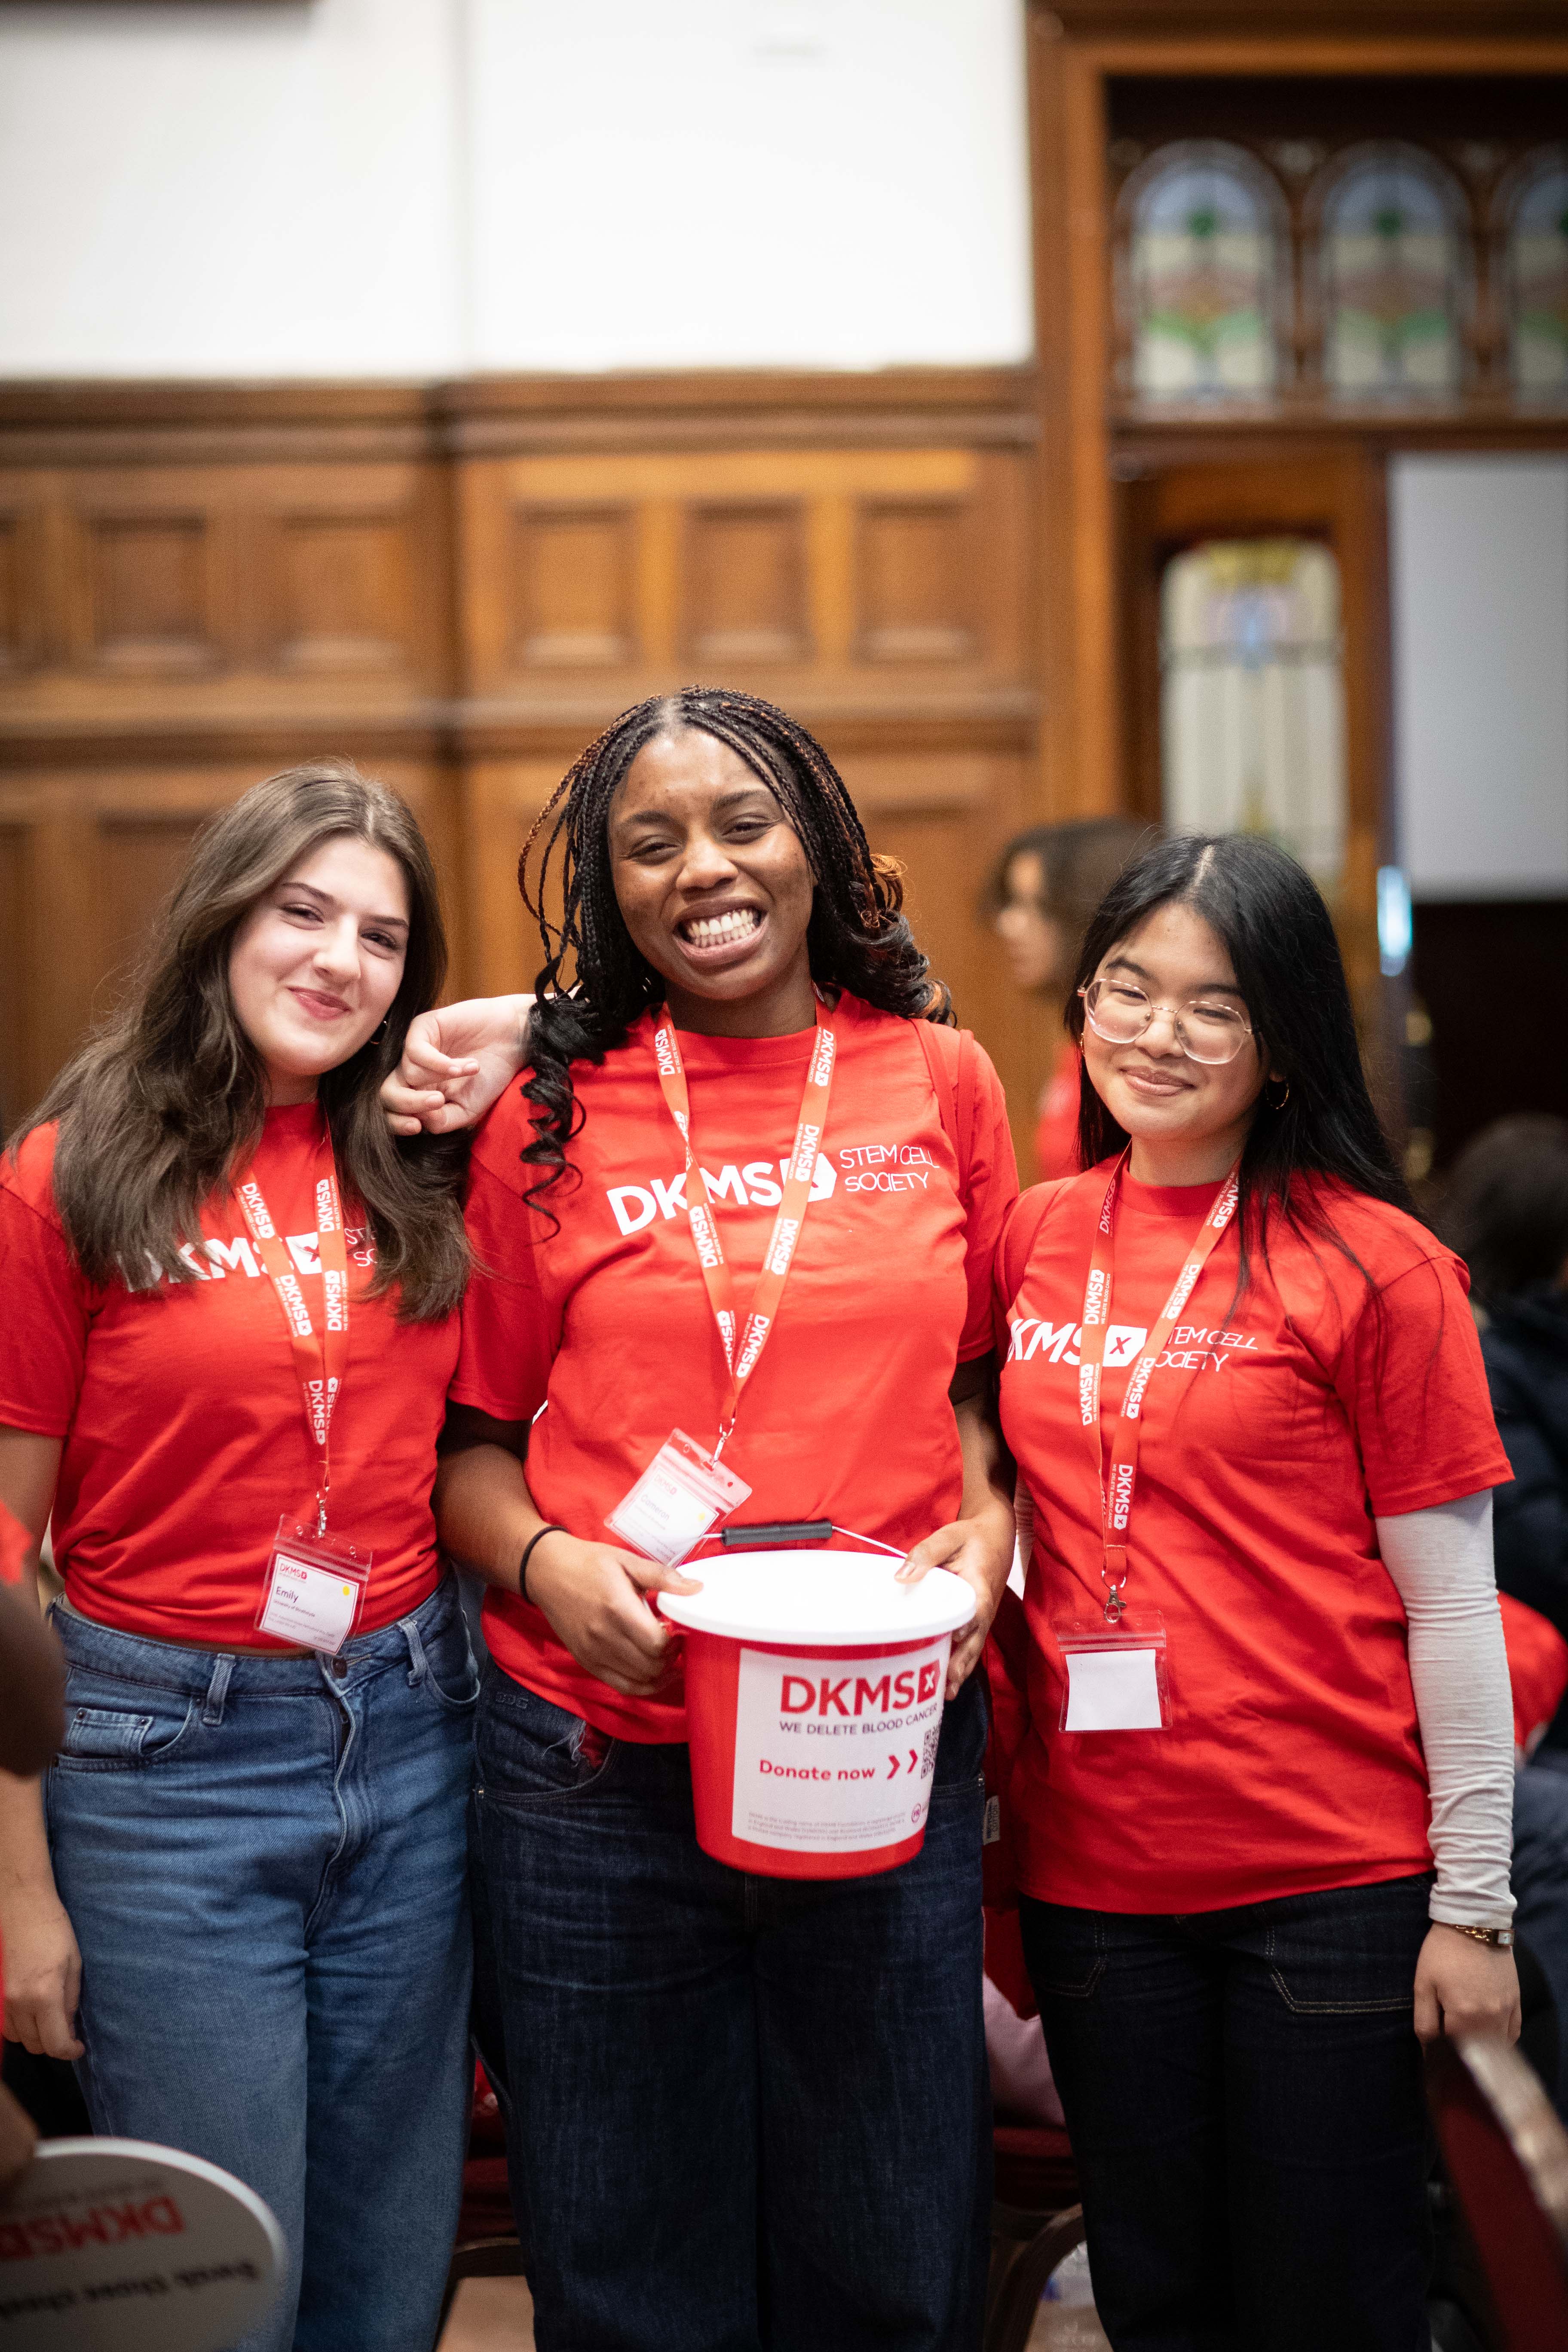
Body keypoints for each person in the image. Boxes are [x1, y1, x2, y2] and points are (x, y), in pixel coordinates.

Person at [430, 685, 1019, 2352]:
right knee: (628, 2278)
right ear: (607, 885)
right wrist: (548, 1560)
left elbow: (995, 1396)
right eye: (652, 840)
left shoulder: (944, 1082)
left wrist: (990, 1533)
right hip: (596, 1763)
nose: (705, 867)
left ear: (820, 847)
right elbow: (464, 1449)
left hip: (877, 1739)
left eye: (744, 822)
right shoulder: (551, 1111)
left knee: (892, 2265)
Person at [995, 833, 1518, 2352]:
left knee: (1325, 2306)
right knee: (1153, 2297)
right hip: (1094, 1876)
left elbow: (1453, 1608)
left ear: (1282, 1036)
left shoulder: (1380, 1267)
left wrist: (1470, 1909)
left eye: (1209, 1006)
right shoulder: (1034, 1237)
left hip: (1326, 1884)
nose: (1153, 1035)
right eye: (1125, 989)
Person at [0, 762, 479, 2352]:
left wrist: (520, 1026)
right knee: (215, 2283)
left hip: (411, 1734)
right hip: (158, 1765)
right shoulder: (74, 1169)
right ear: (221, 914)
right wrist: (15, 1893)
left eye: (385, 936)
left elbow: (639, 1024)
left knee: (387, 2267)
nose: (341, 959)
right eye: (303, 911)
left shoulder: (423, 1153)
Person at [986, 818, 1151, 1180]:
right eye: (1011, 903)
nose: (1008, 924)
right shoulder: (1079, 1041)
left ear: (1091, 918)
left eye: (1037, 906)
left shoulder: (1137, 1052)